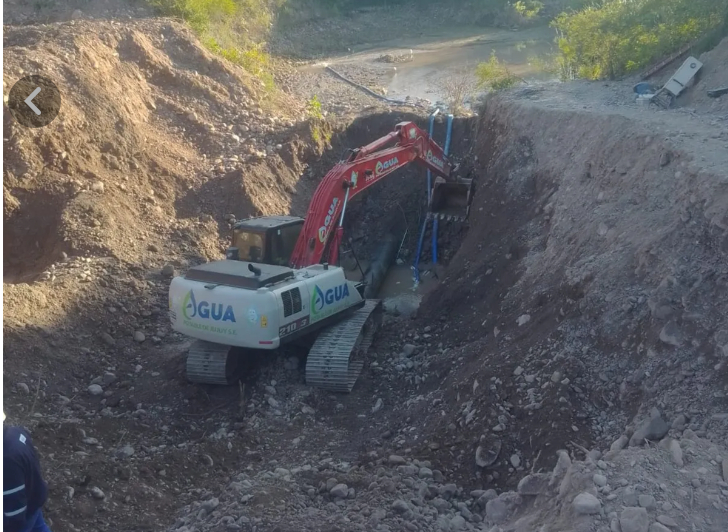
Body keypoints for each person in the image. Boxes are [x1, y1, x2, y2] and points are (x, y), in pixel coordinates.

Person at [3, 412, 52, 532]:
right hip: (34, 495)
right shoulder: (16, 432)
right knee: (39, 527)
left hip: (23, 516)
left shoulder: (6, 460)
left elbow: (15, 512)